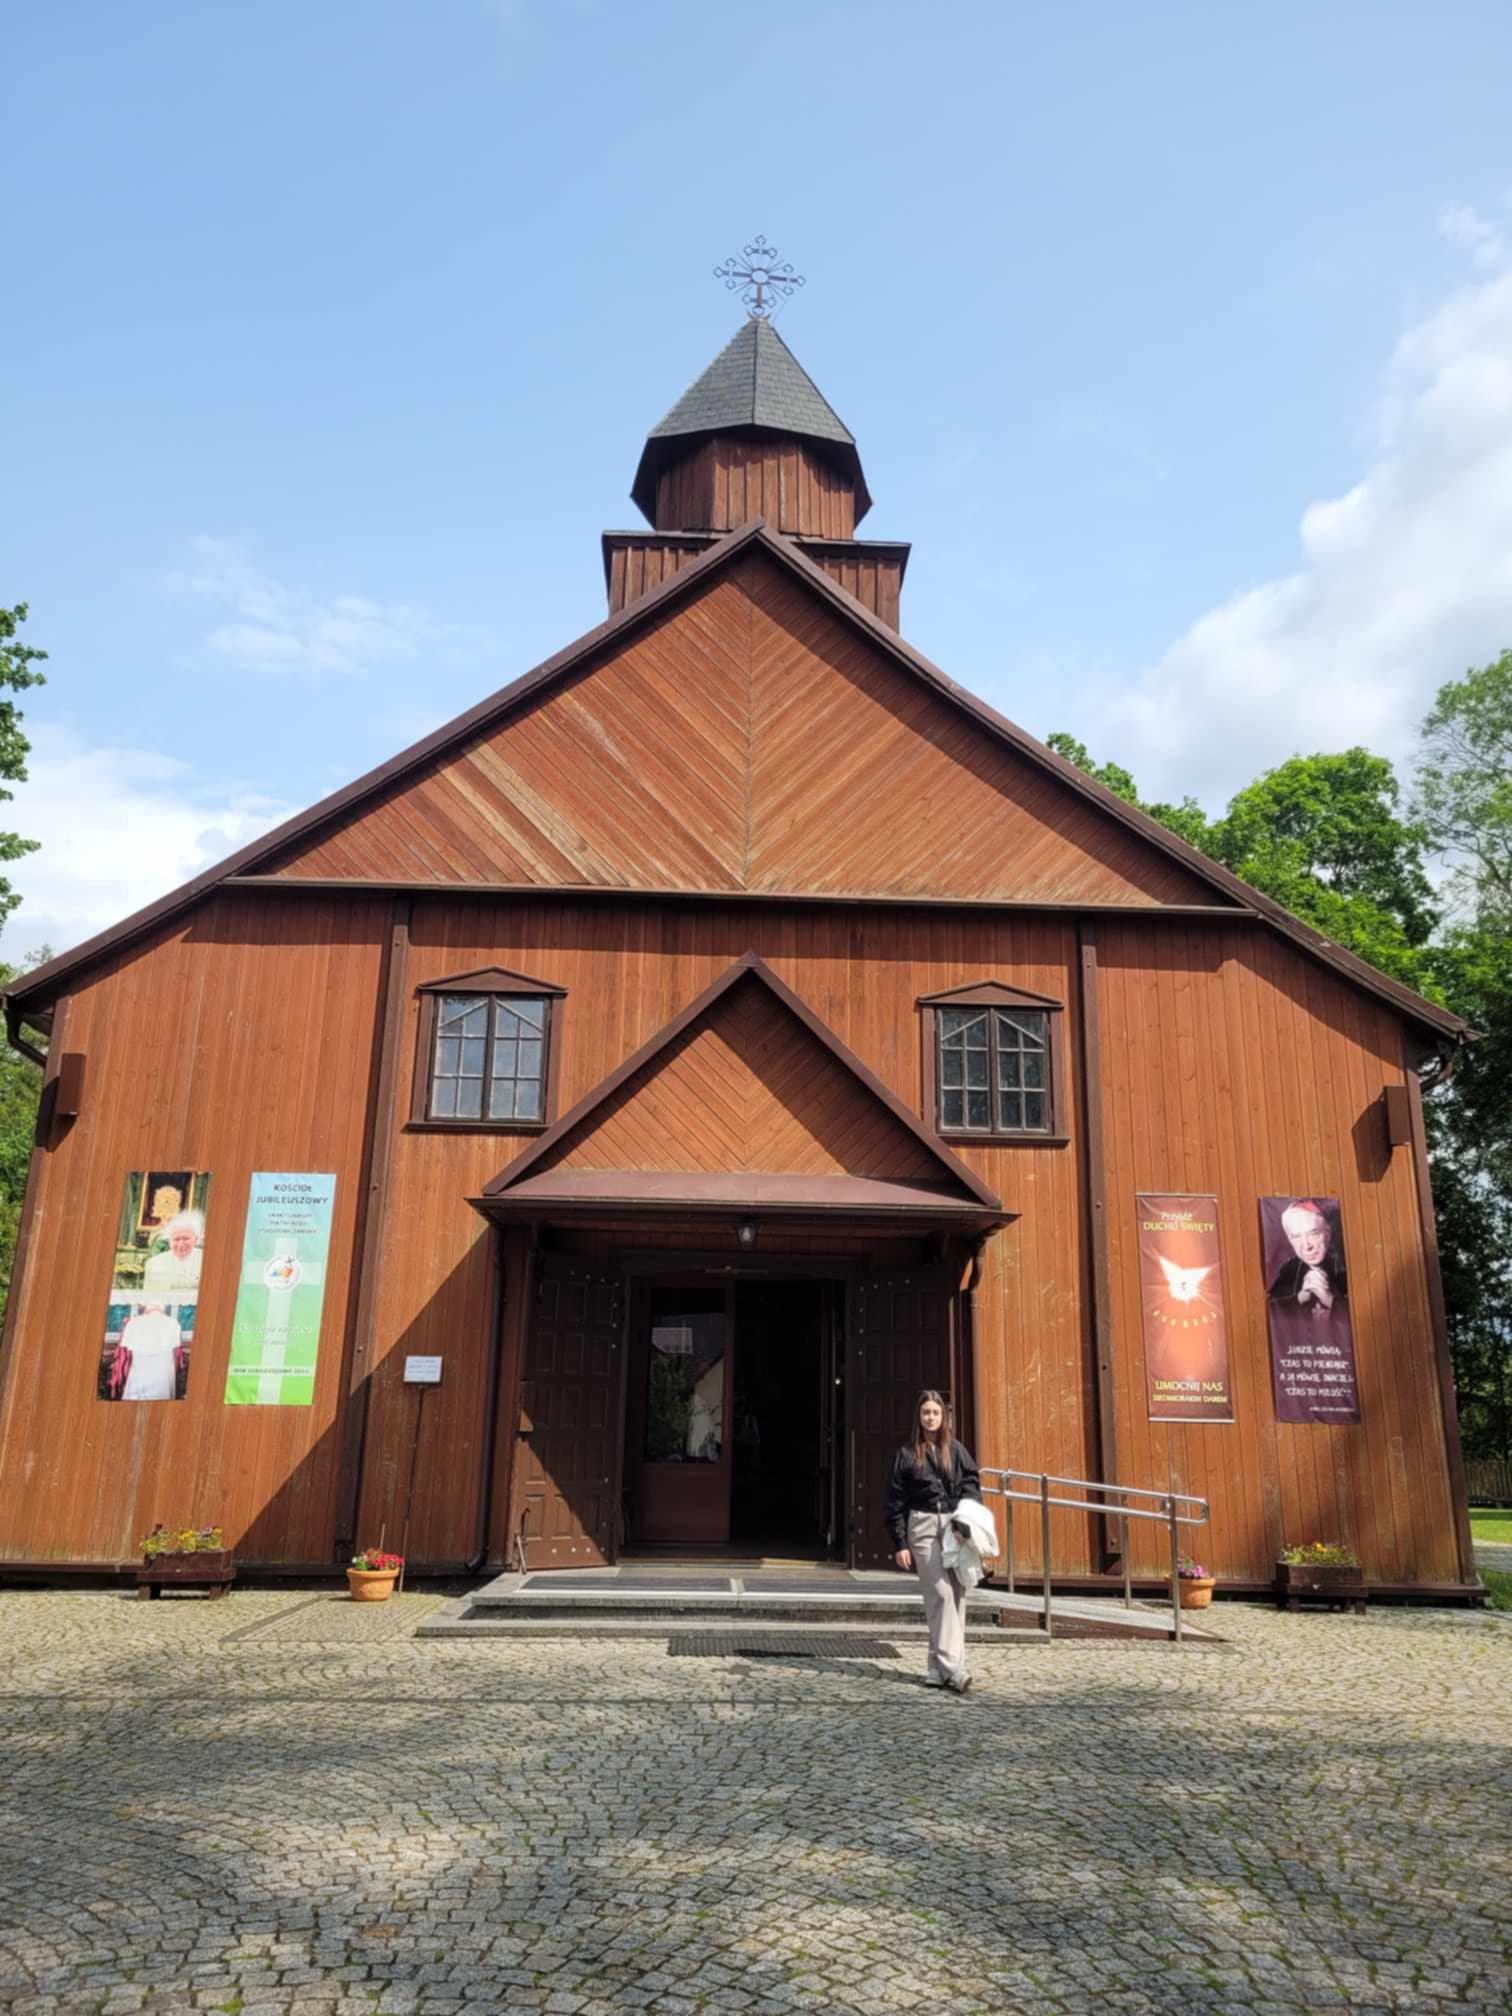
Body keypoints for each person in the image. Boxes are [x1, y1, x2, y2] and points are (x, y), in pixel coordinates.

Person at [884, 1390, 982, 1694]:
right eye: (926, 1412)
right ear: (919, 1416)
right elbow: (894, 1500)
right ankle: (955, 1669)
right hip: (923, 1525)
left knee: (957, 1594)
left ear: (943, 1416)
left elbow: (971, 1485)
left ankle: (936, 1669)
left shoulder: (956, 1450)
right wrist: (900, 1542)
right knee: (940, 1592)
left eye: (935, 1412)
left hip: (953, 1526)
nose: (930, 1417)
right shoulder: (906, 1454)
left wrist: (963, 1524)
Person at [1268, 1201, 1348, 1317]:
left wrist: (1329, 1299)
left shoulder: (1346, 1265)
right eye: (1296, 1237)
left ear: (1327, 1233)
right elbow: (1269, 1309)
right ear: (1289, 1239)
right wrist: (1299, 1298)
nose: (1306, 1246)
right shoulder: (1290, 1268)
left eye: (1313, 1234)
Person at [143, 1210, 204, 1297]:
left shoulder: (206, 1260)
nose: (181, 1244)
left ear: (195, 1239)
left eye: (186, 1238)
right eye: (176, 1239)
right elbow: (149, 1297)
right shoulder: (154, 1263)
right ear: (169, 1241)